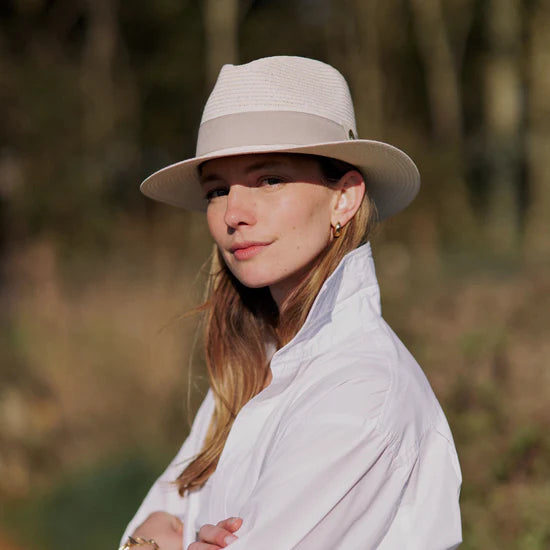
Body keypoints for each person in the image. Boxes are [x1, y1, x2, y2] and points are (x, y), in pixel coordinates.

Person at [119, 56, 462, 550]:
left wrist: (153, 541)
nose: (233, 213)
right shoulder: (247, 373)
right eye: (217, 190)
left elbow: (156, 527)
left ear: (344, 198)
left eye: (270, 180)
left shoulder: (360, 391)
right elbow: (151, 524)